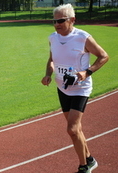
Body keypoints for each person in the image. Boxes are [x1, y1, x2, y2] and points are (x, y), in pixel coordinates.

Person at [41, 4, 109, 173]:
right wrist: (48, 74)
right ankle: (90, 159)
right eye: (54, 21)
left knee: (71, 129)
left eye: (61, 21)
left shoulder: (83, 37)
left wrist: (87, 72)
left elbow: (103, 56)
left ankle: (84, 166)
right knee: (76, 130)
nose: (56, 24)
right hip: (62, 88)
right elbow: (51, 60)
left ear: (72, 20)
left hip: (80, 88)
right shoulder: (53, 38)